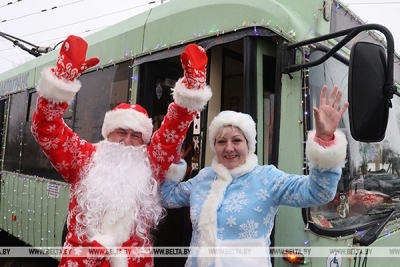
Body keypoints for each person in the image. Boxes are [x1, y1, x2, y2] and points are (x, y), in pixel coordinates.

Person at [31, 35, 212, 267]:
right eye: (121, 132)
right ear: (108, 133)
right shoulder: (83, 158)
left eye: (136, 135)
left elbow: (173, 129)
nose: (127, 141)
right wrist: (62, 79)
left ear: (144, 140)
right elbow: (46, 128)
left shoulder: (151, 163)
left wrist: (192, 89)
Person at [161, 85, 349, 267]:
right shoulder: (204, 177)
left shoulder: (267, 178)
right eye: (221, 141)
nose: (228, 148)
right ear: (214, 146)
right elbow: (167, 198)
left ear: (249, 145)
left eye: (236, 140)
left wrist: (324, 142)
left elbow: (318, 193)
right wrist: (171, 163)